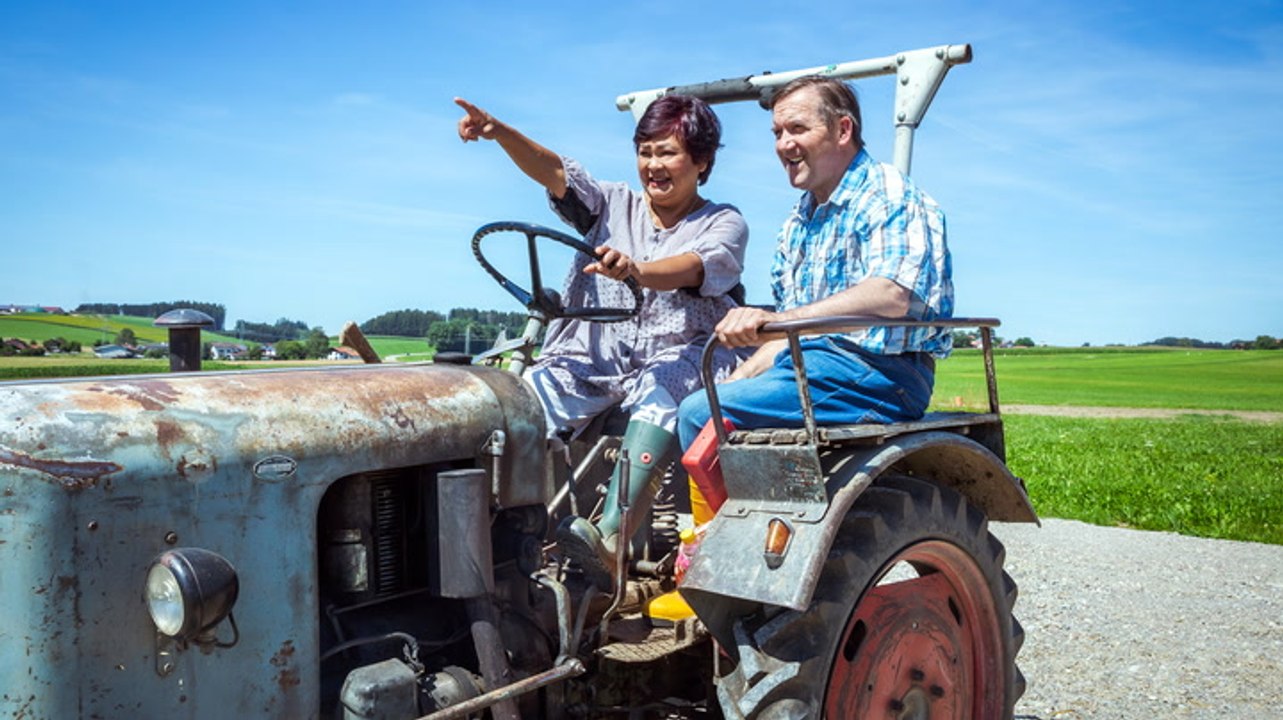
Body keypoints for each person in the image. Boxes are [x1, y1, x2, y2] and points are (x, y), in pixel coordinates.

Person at [455, 94, 748, 589]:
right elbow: (555, 172)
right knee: (522, 406)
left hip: (675, 355)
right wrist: (499, 131)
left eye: (668, 153)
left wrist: (638, 270)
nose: (653, 165)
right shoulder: (611, 204)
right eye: (645, 151)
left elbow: (696, 267)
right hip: (594, 357)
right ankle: (489, 539)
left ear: (701, 161)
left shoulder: (724, 222)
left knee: (663, 382)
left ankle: (611, 537)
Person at [677, 75, 952, 452]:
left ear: (843, 130)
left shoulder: (888, 193)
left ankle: (723, 513)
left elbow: (892, 294)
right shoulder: (798, 222)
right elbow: (793, 332)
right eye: (777, 132)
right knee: (710, 397)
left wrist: (772, 322)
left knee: (700, 413)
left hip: (883, 373)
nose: (783, 144)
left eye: (797, 129)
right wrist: (738, 378)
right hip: (813, 365)